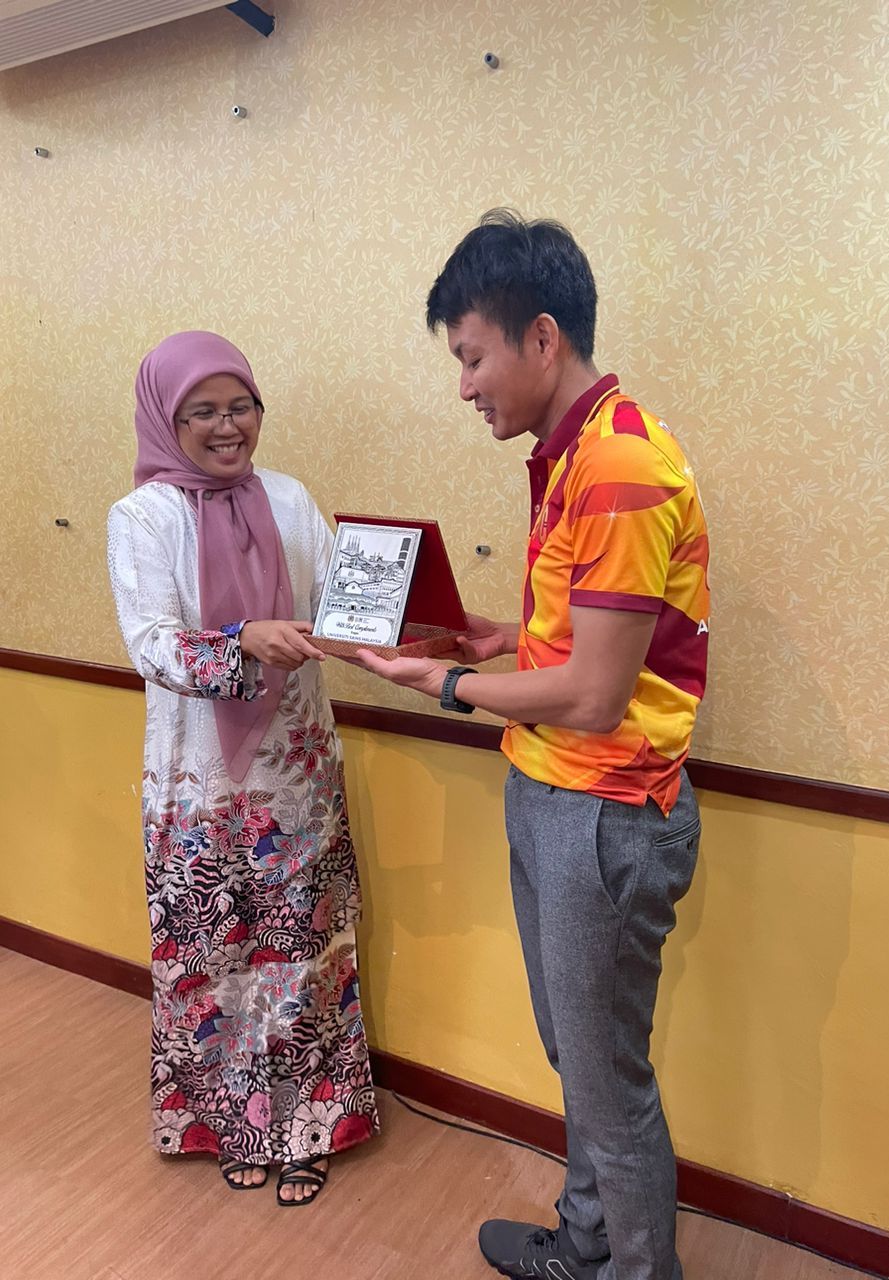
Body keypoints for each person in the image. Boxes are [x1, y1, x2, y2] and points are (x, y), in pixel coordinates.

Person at [349, 212, 709, 1279]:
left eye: (472, 357)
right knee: (579, 1057)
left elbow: (596, 695)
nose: (464, 386)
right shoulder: (575, 454)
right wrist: (502, 637)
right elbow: (599, 638)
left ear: (541, 338)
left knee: (607, 1082)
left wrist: (447, 682)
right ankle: (588, 1245)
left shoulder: (620, 465)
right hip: (554, 788)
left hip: (603, 809)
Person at [107, 331, 378, 1206]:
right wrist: (241, 640)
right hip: (198, 788)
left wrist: (400, 611)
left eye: (242, 407)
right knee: (211, 960)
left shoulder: (292, 500)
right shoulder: (142, 518)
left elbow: (342, 608)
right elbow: (152, 644)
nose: (229, 427)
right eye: (203, 412)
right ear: (167, 418)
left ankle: (310, 1126)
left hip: (297, 776)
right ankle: (236, 1124)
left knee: (306, 955)